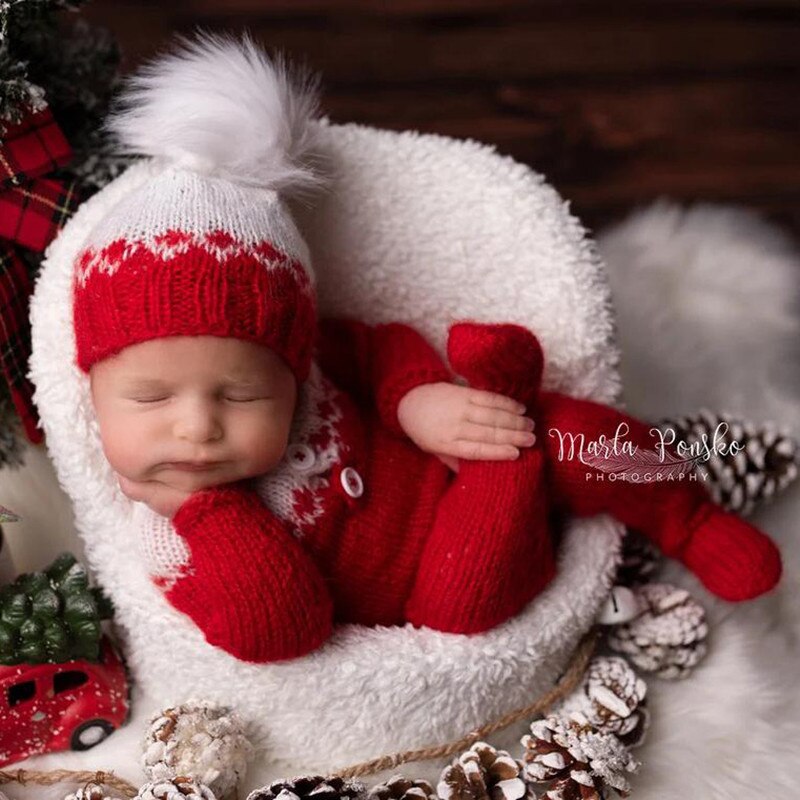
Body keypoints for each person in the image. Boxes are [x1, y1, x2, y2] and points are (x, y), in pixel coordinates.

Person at [77, 33, 781, 664]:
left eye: (239, 394)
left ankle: (686, 513)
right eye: (150, 396)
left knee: (575, 433)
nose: (197, 424)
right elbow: (281, 627)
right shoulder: (171, 539)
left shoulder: (311, 367)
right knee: (465, 596)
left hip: (440, 461)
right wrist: (212, 511)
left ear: (289, 368)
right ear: (93, 391)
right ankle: (511, 447)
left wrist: (418, 399)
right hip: (436, 583)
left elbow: (378, 349)